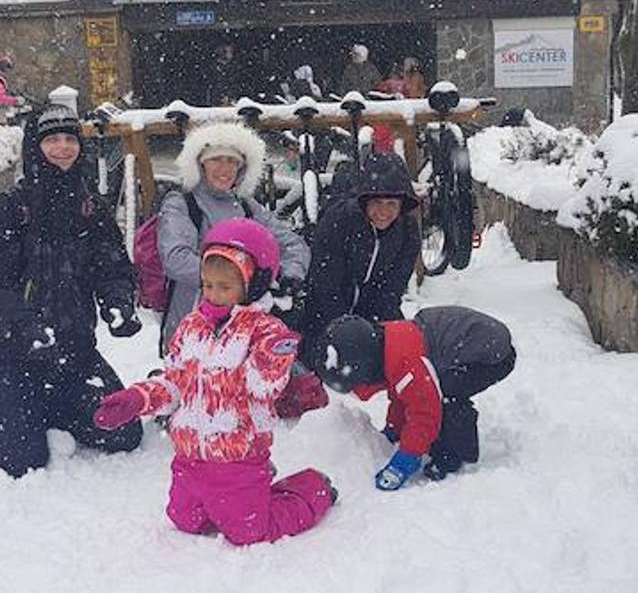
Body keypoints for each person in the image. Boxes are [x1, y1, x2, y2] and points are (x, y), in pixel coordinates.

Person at [93, 219, 337, 546]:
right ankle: (240, 496)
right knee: (185, 520)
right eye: (207, 285)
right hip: (190, 457)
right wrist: (139, 399)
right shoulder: (192, 326)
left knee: (248, 532)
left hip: (237, 456)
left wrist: (272, 356)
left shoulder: (266, 332)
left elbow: (262, 388)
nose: (213, 295)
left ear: (252, 285)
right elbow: (175, 384)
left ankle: (312, 488)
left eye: (225, 287)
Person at [0, 103, 143, 477]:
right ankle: (4, 407)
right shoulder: (7, 208)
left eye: (70, 139)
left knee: (124, 432)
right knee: (21, 457)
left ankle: (58, 401)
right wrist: (26, 324)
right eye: (52, 139)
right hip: (15, 354)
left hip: (74, 350)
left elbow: (112, 265)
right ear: (35, 146)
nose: (63, 148)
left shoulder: (90, 208)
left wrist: (118, 303)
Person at [157, 121, 310, 354]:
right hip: (192, 329)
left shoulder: (249, 207)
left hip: (242, 331)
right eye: (216, 159)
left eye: (232, 161)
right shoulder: (182, 203)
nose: (224, 168)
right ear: (200, 164)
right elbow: (176, 259)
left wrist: (287, 276)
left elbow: (293, 244)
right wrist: (239, 278)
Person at [321, 307, 516, 488]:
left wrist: (406, 459)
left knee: (444, 395)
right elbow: (401, 395)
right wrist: (393, 430)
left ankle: (453, 455)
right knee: (426, 389)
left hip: (491, 355)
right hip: (463, 343)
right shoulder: (385, 345)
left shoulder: (407, 362)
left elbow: (424, 412)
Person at [291, 153, 421, 370]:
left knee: (395, 355)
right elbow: (325, 284)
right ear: (365, 202)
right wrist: (344, 332)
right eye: (377, 202)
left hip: (371, 306)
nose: (384, 212)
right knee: (325, 361)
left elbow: (391, 289)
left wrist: (379, 332)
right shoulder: (339, 222)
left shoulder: (407, 231)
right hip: (325, 310)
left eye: (392, 204)